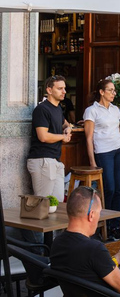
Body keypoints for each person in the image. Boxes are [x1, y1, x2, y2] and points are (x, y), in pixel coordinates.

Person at [84, 79, 120, 240]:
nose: (113, 93)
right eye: (110, 90)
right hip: (103, 152)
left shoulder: (115, 110)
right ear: (101, 92)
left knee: (119, 189)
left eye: (114, 90)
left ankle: (115, 227)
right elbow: (89, 138)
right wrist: (92, 162)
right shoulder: (91, 111)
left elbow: (117, 131)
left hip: (119, 150)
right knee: (109, 189)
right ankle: (103, 225)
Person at [28, 75, 71, 205]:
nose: (64, 91)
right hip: (42, 160)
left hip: (54, 160)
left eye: (64, 88)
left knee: (56, 204)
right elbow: (43, 136)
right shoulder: (42, 109)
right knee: (43, 204)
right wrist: (63, 137)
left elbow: (66, 123)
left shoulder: (57, 108)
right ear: (49, 90)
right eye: (60, 88)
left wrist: (68, 128)